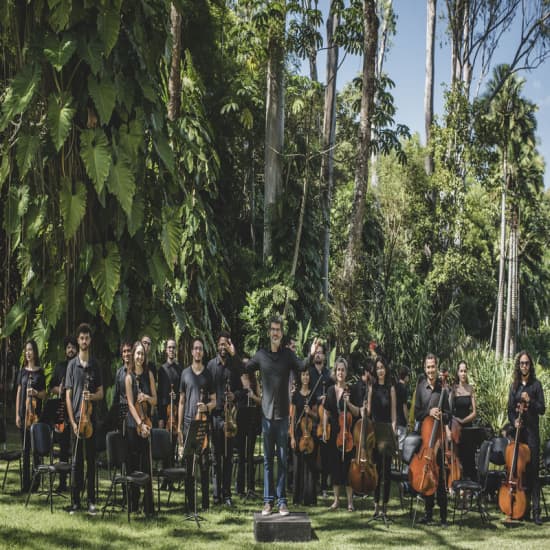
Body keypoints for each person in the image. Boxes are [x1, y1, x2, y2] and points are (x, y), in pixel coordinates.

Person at [245, 316, 315, 516]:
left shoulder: (287, 355)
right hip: (266, 416)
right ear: (269, 333)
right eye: (272, 329)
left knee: (283, 460)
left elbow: (302, 366)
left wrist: (310, 355)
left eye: (278, 330)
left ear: (282, 334)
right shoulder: (260, 355)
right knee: (268, 461)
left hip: (283, 416)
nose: (275, 333)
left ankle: (282, 502)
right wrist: (233, 355)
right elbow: (245, 368)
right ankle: (268, 501)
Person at [65, 323, 104, 515]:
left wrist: (92, 397)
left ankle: (91, 501)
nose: (84, 341)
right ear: (78, 340)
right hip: (76, 421)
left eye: (87, 338)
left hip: (91, 422)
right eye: (81, 338)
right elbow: (68, 395)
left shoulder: (95, 364)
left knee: (90, 461)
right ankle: (75, 502)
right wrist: (72, 422)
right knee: (76, 462)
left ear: (90, 340)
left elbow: (101, 393)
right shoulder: (72, 365)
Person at [507, 350, 546, 525]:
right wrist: (514, 421)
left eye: (527, 363)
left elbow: (542, 409)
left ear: (530, 365)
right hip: (519, 434)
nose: (524, 366)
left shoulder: (536, 385)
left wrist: (529, 400)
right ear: (518, 365)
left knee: (533, 474)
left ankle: (536, 512)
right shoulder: (514, 386)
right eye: (521, 363)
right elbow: (509, 409)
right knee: (518, 473)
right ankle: (523, 510)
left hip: (532, 435)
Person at [177, 337, 216, 512]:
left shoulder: (208, 374)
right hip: (187, 424)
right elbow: (181, 401)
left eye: (201, 349)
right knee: (189, 465)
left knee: (204, 465)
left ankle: (206, 504)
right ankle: (189, 503)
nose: (198, 351)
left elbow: (215, 400)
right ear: (192, 352)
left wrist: (207, 407)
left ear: (203, 352)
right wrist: (178, 427)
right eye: (195, 348)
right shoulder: (185, 373)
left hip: (202, 425)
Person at [414, 353, 450, 526]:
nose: (430, 370)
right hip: (426, 439)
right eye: (428, 367)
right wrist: (429, 412)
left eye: (433, 367)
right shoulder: (421, 388)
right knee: (427, 474)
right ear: (424, 368)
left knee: (441, 478)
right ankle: (428, 514)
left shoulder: (443, 389)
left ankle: (443, 516)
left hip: (438, 440)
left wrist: (442, 414)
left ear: (437, 367)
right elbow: (416, 413)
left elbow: (450, 415)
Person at [207, 331, 242, 506]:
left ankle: (227, 494)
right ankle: (216, 495)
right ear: (217, 345)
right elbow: (205, 391)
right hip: (215, 417)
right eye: (221, 344)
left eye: (226, 345)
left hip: (229, 418)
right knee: (215, 457)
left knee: (228, 457)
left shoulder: (234, 367)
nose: (223, 347)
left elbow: (242, 390)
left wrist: (234, 396)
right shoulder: (210, 366)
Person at [125, 340, 156, 515]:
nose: (139, 356)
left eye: (142, 354)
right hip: (133, 426)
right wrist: (139, 424)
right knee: (133, 466)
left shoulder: (149, 375)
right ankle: (133, 504)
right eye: (137, 353)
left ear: (145, 357)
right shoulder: (128, 378)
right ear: (133, 356)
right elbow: (130, 404)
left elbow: (155, 400)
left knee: (146, 465)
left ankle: (148, 506)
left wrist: (146, 398)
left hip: (147, 423)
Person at [326, 357, 360, 512]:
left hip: (348, 435)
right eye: (338, 369)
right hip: (334, 432)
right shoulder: (330, 390)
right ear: (335, 372)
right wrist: (325, 429)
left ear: (346, 372)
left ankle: (350, 502)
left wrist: (348, 403)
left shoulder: (351, 390)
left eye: (343, 370)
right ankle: (336, 500)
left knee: (348, 466)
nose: (340, 372)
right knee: (334, 466)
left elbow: (358, 412)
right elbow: (326, 410)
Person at [15, 339, 46, 493]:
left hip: (36, 416)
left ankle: (36, 482)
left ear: (35, 352)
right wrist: (17, 415)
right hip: (24, 413)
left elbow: (44, 394)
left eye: (30, 350)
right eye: (26, 350)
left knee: (36, 451)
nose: (28, 353)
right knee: (25, 450)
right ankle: (25, 484)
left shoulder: (40, 372)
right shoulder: (22, 372)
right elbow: (19, 393)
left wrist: (35, 393)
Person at [367, 356, 396, 517]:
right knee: (376, 471)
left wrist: (393, 434)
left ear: (386, 369)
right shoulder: (372, 387)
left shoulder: (391, 388)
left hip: (387, 433)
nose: (380, 370)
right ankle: (376, 505)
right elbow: (370, 412)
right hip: (375, 432)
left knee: (387, 471)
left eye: (382, 367)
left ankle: (384, 506)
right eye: (378, 368)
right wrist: (364, 410)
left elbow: (393, 416)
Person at [47, 336, 78, 491]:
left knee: (77, 448)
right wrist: (59, 390)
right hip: (60, 412)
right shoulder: (60, 366)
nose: (70, 350)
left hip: (76, 410)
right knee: (63, 447)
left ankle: (77, 482)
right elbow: (51, 387)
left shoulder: (79, 366)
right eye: (68, 347)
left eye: (73, 347)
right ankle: (62, 482)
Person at [290, 369, 318, 505]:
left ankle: (309, 499)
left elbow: (317, 416)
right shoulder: (295, 395)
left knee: (310, 467)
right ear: (300, 377)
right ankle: (297, 498)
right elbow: (292, 417)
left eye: (307, 374)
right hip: (298, 433)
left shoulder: (313, 394)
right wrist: (292, 437)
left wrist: (310, 412)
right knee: (297, 467)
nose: (305, 377)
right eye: (303, 375)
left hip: (310, 434)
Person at [157, 337, 183, 484]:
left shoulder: (180, 370)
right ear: (166, 350)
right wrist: (161, 417)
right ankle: (164, 479)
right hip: (165, 414)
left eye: (174, 347)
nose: (172, 350)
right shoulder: (162, 370)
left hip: (175, 414)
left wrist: (177, 395)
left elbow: (182, 393)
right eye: (169, 347)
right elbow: (160, 393)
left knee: (173, 447)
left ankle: (171, 479)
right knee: (164, 448)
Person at [234, 369, 261, 497]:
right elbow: (233, 398)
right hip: (240, 419)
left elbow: (261, 401)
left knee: (250, 455)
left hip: (252, 419)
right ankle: (240, 488)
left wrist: (253, 396)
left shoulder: (254, 382)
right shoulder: (237, 380)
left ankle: (251, 488)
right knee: (241, 456)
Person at [450, 360, 477, 480]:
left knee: (469, 456)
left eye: (465, 371)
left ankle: (469, 483)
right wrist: (456, 421)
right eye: (461, 371)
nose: (463, 373)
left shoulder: (471, 389)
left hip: (468, 426)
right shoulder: (453, 389)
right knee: (456, 454)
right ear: (457, 373)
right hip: (456, 426)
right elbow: (449, 409)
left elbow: (475, 412)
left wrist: (463, 421)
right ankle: (455, 480)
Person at [395, 366, 410, 450]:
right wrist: (407, 421)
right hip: (401, 420)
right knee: (401, 445)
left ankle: (396, 463)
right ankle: (401, 463)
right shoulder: (404, 388)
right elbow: (404, 406)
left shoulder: (395, 386)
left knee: (396, 445)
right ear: (405, 376)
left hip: (395, 420)